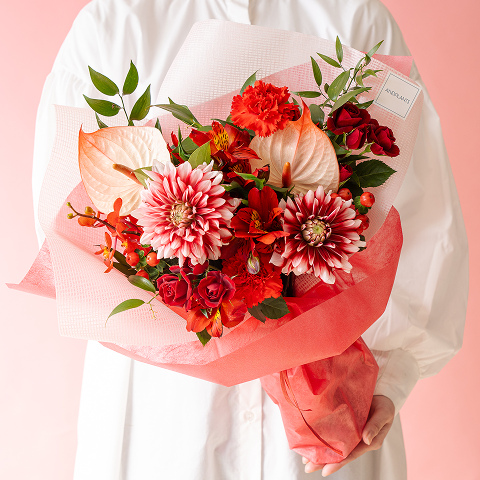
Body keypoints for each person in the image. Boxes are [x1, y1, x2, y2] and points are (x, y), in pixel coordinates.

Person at [32, 0, 469, 478]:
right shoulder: (113, 25)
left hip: (326, 392)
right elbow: (73, 228)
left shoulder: (354, 17)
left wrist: (389, 374)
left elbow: (424, 212)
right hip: (165, 411)